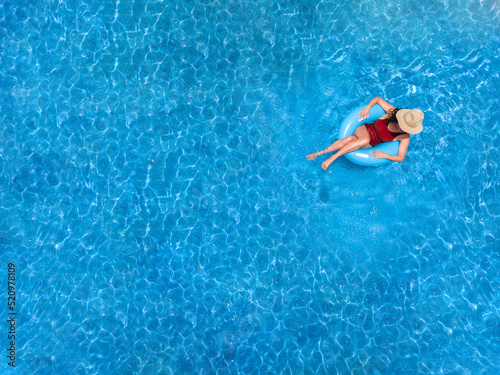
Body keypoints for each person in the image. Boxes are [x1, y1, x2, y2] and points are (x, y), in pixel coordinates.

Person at [307, 97, 424, 170]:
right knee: (364, 140)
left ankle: (321, 152)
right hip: (364, 129)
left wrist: (385, 156)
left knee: (349, 140)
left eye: (406, 128)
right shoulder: (391, 112)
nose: (402, 129)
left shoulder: (404, 137)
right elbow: (378, 99)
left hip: (369, 144)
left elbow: (400, 157)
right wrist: (368, 107)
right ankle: (333, 158)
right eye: (402, 124)